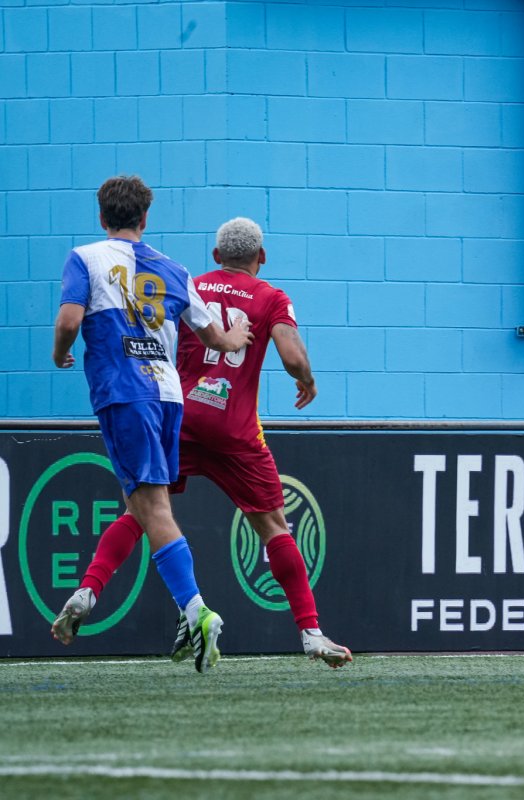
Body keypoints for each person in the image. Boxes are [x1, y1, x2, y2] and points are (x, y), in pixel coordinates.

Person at [61, 218, 352, 669]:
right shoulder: (271, 297)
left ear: (216, 257)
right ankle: (311, 634)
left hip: (180, 416)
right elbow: (292, 356)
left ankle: (89, 589)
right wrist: (307, 380)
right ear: (262, 257)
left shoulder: (190, 283)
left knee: (143, 510)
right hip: (233, 430)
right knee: (274, 526)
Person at [50, 176, 252, 673]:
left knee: (151, 508)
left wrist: (60, 354)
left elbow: (70, 321)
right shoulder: (175, 269)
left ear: (102, 218)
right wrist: (239, 333)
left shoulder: (86, 258)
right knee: (144, 506)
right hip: (167, 395)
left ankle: (196, 611)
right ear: (145, 220)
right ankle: (89, 592)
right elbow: (218, 340)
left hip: (124, 394)